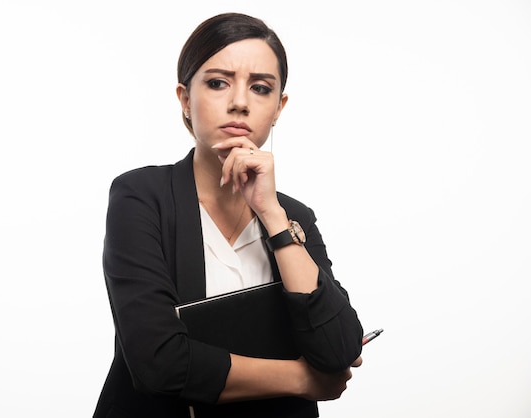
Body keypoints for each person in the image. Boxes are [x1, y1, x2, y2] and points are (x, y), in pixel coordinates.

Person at [93, 12, 364, 418]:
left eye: (260, 88)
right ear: (185, 99)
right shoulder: (141, 197)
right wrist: (303, 380)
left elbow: (339, 348)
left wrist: (271, 215)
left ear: (278, 107)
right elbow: (158, 363)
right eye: (218, 83)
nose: (240, 102)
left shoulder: (293, 216)